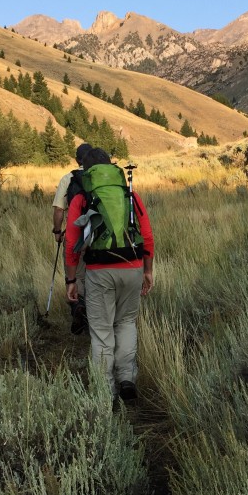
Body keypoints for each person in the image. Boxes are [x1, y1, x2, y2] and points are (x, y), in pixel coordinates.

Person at [64, 147, 154, 404]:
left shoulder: (81, 198)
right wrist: (147, 270)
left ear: (87, 171)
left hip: (98, 272)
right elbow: (147, 237)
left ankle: (106, 390)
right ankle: (127, 379)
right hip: (133, 266)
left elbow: (72, 244)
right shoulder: (129, 194)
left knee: (102, 331)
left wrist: (71, 280)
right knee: (126, 323)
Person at [52, 143, 92, 333]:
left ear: (77, 160)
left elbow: (59, 209)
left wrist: (58, 232)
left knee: (75, 274)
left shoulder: (69, 178)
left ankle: (79, 308)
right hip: (98, 235)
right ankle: (94, 313)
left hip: (75, 235)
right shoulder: (102, 177)